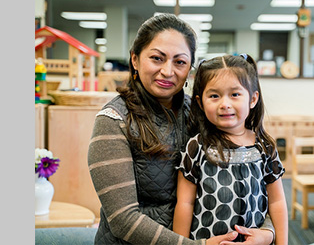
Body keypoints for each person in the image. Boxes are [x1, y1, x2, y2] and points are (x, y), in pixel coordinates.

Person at [88, 13, 275, 245]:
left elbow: (254, 181)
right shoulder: (113, 120)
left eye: (180, 62)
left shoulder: (202, 112)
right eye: (157, 58)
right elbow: (123, 219)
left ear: (190, 69)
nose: (168, 71)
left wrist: (267, 232)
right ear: (135, 60)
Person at [173, 54, 288, 244]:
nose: (225, 104)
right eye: (214, 96)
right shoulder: (197, 147)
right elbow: (185, 203)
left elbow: (277, 202)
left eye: (235, 94)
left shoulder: (264, 146)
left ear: (252, 99)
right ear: (201, 103)